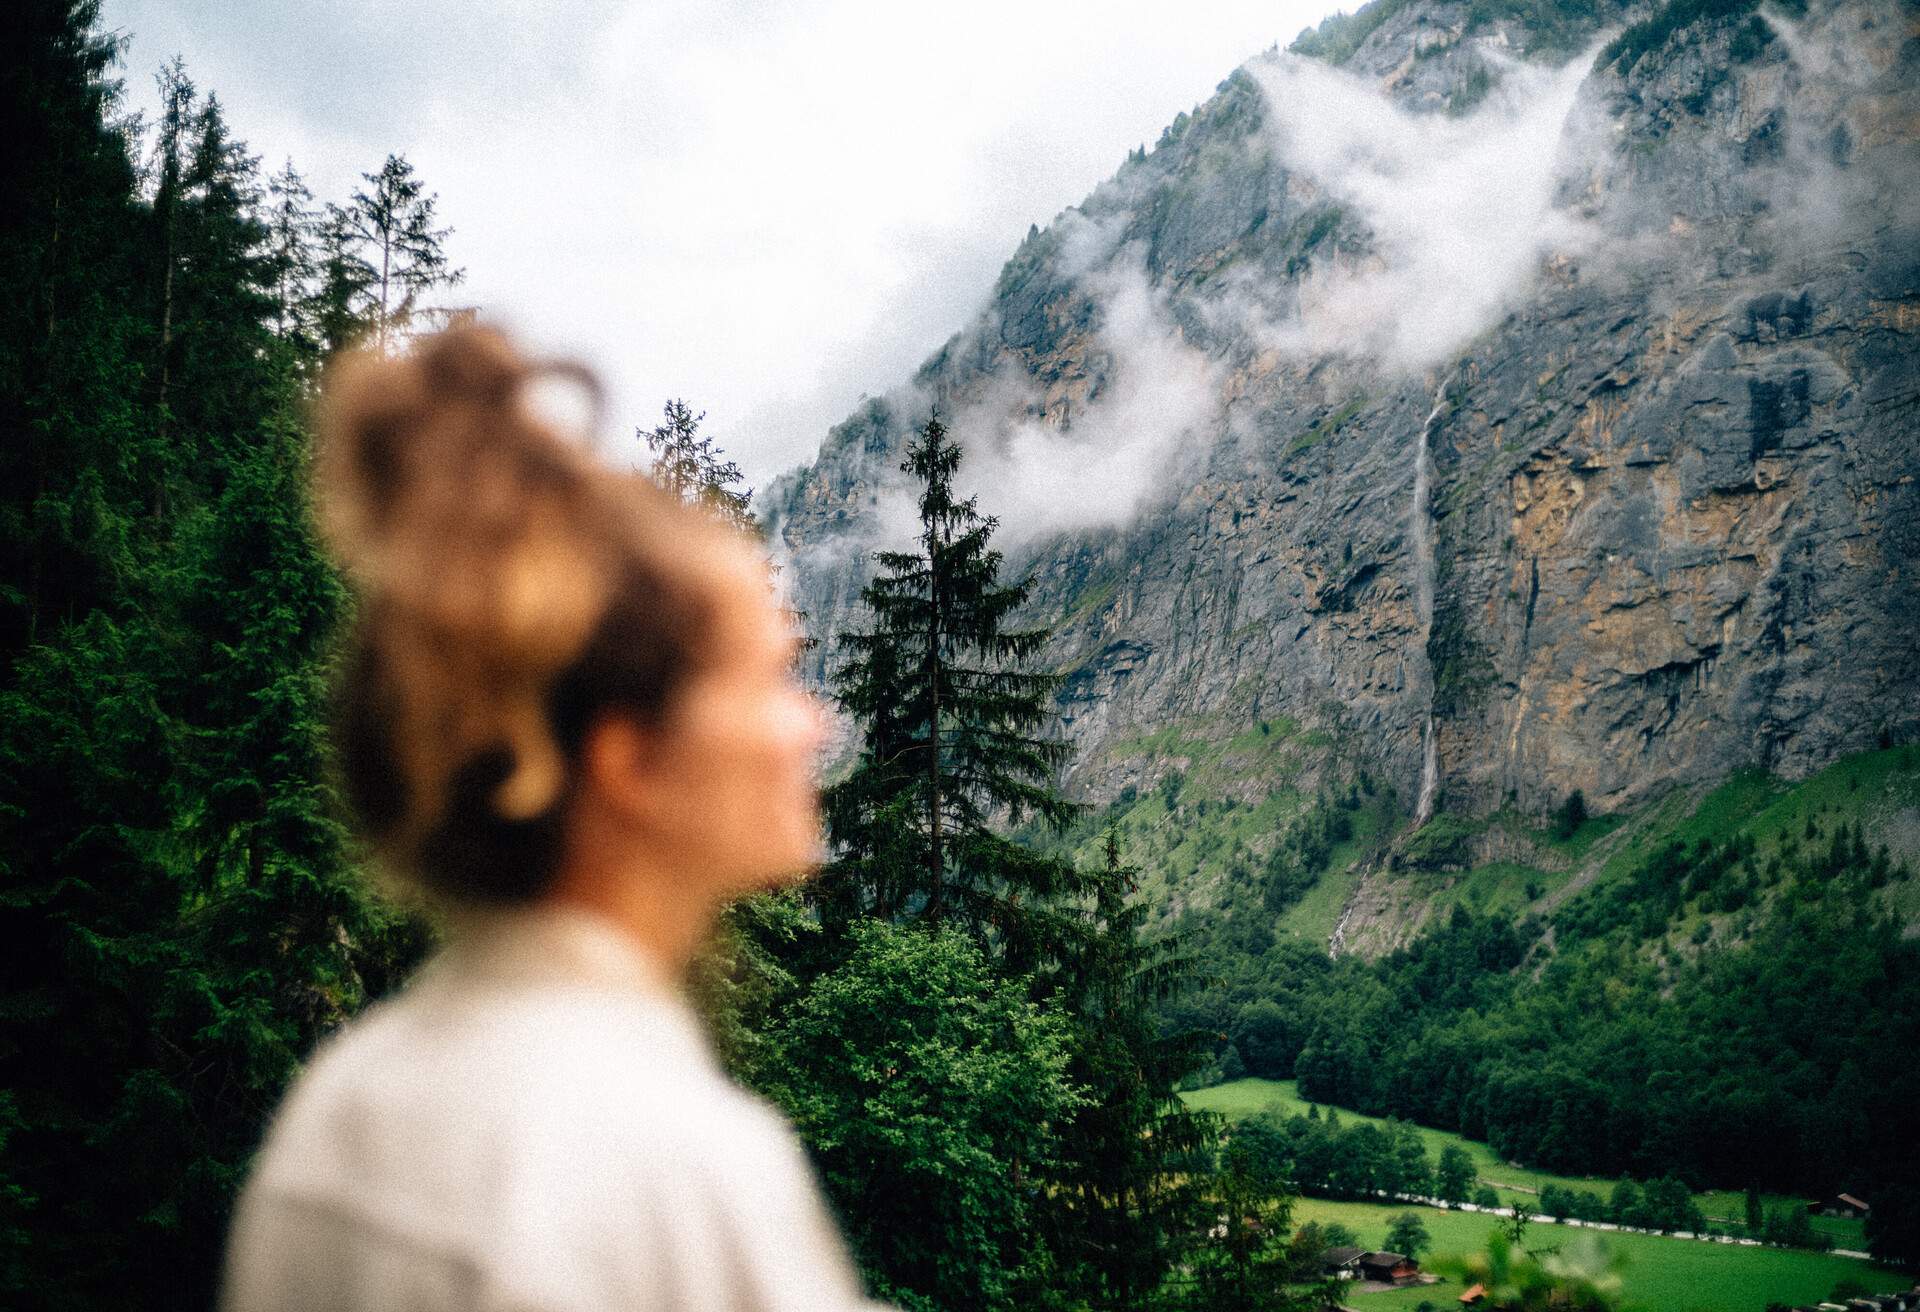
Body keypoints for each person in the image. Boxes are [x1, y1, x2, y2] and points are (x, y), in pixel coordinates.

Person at [220, 327, 883, 1311]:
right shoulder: (681, 1174)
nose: (813, 725)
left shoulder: (332, 1117)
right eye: (771, 679)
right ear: (630, 763)